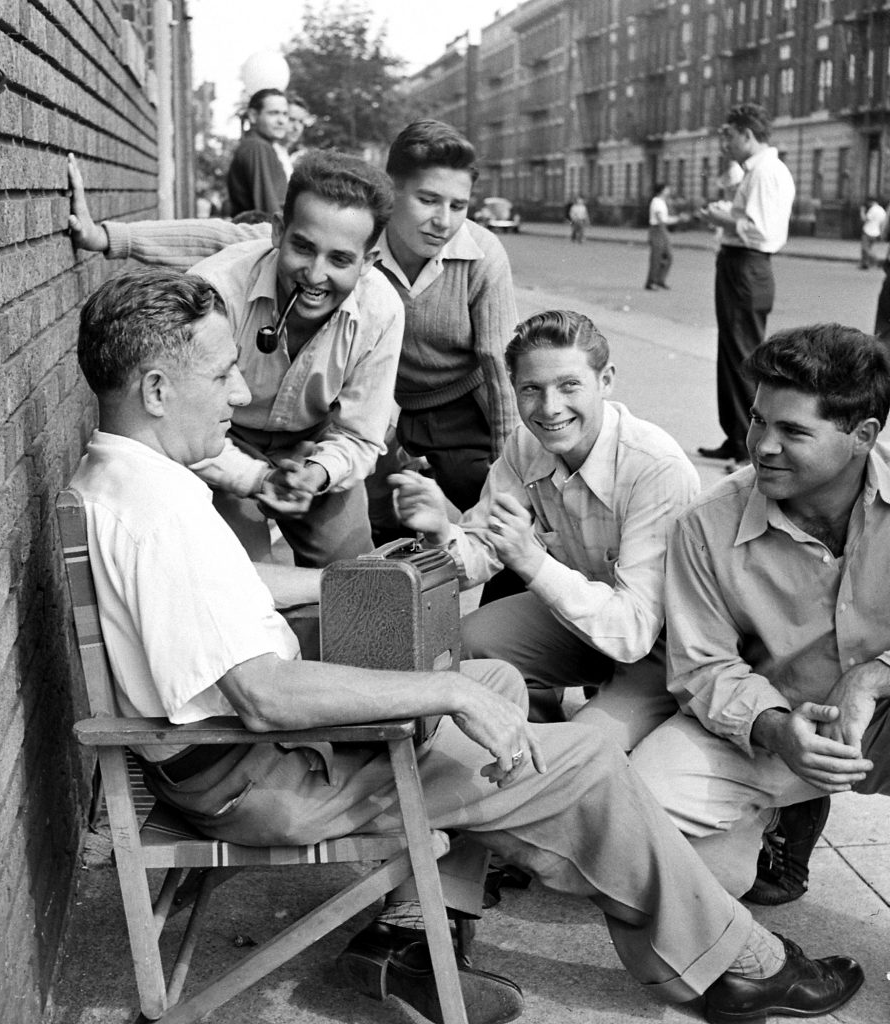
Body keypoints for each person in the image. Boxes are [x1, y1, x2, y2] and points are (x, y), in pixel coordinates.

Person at [67, 266, 864, 1024]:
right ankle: (745, 964)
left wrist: (353, 582)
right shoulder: (163, 514)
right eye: (222, 375)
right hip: (268, 777)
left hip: (246, 759)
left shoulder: (133, 483)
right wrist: (445, 694)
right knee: (583, 762)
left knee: (494, 679)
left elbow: (242, 596)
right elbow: (263, 692)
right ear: (158, 389)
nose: (240, 394)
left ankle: (414, 935)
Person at [630, 324, 890, 910]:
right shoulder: (707, 522)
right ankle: (778, 818)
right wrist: (776, 729)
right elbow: (703, 667)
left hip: (885, 713)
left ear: (863, 435)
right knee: (642, 813)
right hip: (778, 722)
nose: (762, 445)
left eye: (793, 431)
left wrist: (873, 676)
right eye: (757, 420)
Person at [67, 150, 404, 568]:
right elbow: (175, 419)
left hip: (312, 444)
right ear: (278, 233)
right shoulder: (214, 289)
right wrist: (254, 477)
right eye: (303, 247)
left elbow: (361, 435)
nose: (315, 275)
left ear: (369, 262)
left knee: (354, 574)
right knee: (241, 572)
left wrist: (316, 474)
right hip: (218, 437)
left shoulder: (383, 311)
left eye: (340, 259)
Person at [391, 310, 699, 742]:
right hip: (583, 619)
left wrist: (532, 561)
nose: (550, 408)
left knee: (585, 749)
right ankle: (535, 738)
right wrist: (443, 532)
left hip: (661, 645)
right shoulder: (526, 443)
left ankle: (584, 746)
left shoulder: (654, 467)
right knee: (471, 641)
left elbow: (632, 633)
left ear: (606, 380)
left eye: (569, 385)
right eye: (531, 389)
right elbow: (481, 552)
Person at [370, 120, 520, 533]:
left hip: (461, 411)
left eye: (458, 206)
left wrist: (513, 470)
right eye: (428, 199)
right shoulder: (359, 240)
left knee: (501, 522)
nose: (443, 221)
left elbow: (501, 371)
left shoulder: (483, 254)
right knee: (377, 525)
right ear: (391, 189)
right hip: (380, 406)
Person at [697, 104, 795, 465]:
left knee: (742, 356)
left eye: (730, 135)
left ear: (748, 135)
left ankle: (748, 442)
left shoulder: (766, 172)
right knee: (731, 351)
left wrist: (723, 219)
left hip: (747, 266)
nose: (726, 142)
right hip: (738, 266)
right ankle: (736, 434)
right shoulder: (754, 172)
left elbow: (762, 230)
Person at [226, 88, 289, 218]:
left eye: (285, 114)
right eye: (273, 113)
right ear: (253, 116)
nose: (282, 120)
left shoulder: (261, 146)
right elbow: (267, 208)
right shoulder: (256, 147)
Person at [645, 182, 678, 290]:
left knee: (668, 256)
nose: (669, 191)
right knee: (656, 257)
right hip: (657, 230)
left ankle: (660, 280)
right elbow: (661, 220)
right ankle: (651, 282)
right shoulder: (657, 202)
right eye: (667, 189)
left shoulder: (662, 202)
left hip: (662, 230)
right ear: (662, 190)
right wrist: (677, 219)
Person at [859, 196, 886, 270]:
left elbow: (864, 219)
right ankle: (865, 264)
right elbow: (883, 223)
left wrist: (862, 211)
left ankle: (877, 261)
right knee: (868, 248)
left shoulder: (873, 210)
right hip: (876, 232)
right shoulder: (882, 210)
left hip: (868, 231)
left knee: (865, 248)